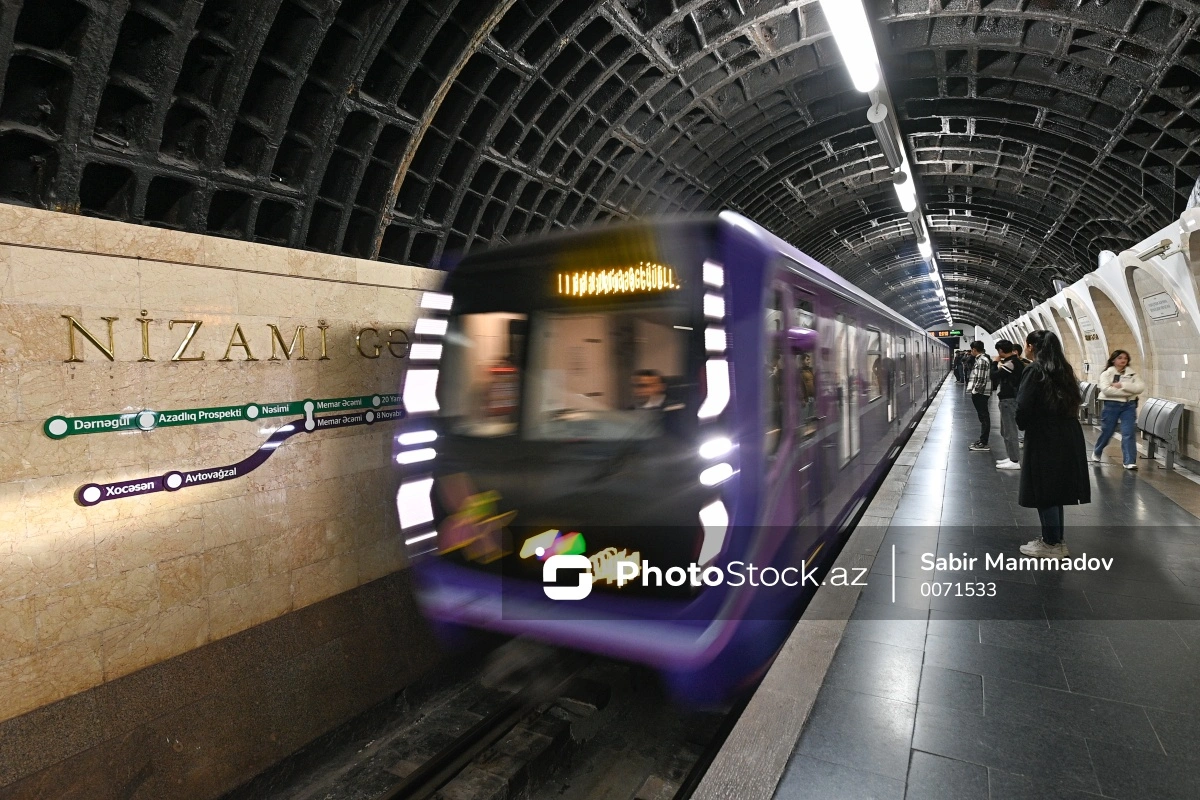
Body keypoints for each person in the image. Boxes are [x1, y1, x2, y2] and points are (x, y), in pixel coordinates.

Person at [1016, 330, 1091, 558]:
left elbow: (1024, 407)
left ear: (1030, 346)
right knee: (1056, 489)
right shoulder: (1064, 369)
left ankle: (1051, 545)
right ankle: (1055, 540)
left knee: (1044, 490)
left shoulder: (1034, 370)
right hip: (1068, 433)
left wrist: (1023, 425)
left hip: (1044, 435)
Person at [1092, 349, 1145, 469]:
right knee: (1108, 431)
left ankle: (1129, 461)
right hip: (1111, 405)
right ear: (1113, 360)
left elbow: (1140, 387)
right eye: (1120, 358)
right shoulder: (1106, 374)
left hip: (1129, 406)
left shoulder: (1132, 374)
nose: (1123, 360)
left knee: (1128, 432)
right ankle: (1098, 450)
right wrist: (1129, 391)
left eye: (1125, 358)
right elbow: (1106, 390)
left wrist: (1122, 385)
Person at [991, 340, 1024, 470]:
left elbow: (993, 375)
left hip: (1009, 401)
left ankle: (1015, 460)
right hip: (1008, 400)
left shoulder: (1011, 363)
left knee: (1010, 431)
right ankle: (1011, 457)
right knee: (1004, 431)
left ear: (1000, 350)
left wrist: (994, 362)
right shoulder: (1015, 362)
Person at [967, 341, 992, 451]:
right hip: (981, 393)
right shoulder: (981, 359)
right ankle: (982, 440)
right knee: (983, 417)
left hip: (980, 393)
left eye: (971, 350)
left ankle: (984, 442)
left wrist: (975, 391)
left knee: (984, 417)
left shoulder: (982, 360)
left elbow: (981, 379)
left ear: (974, 349)